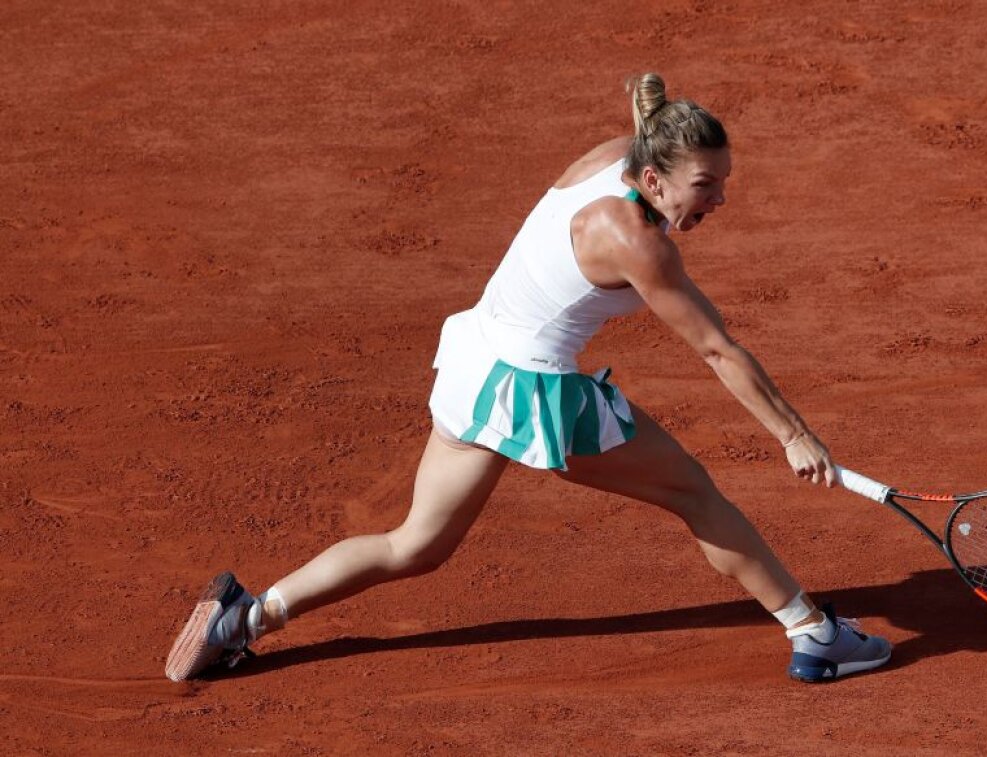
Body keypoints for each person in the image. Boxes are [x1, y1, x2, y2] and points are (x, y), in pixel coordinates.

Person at [165, 73, 891, 684]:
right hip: (529, 392)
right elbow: (717, 350)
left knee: (415, 544)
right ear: (652, 177)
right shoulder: (638, 243)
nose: (719, 202)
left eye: (723, 183)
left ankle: (246, 616)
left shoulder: (609, 157)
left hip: (473, 366)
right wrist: (795, 435)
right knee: (695, 492)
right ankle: (813, 631)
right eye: (706, 185)